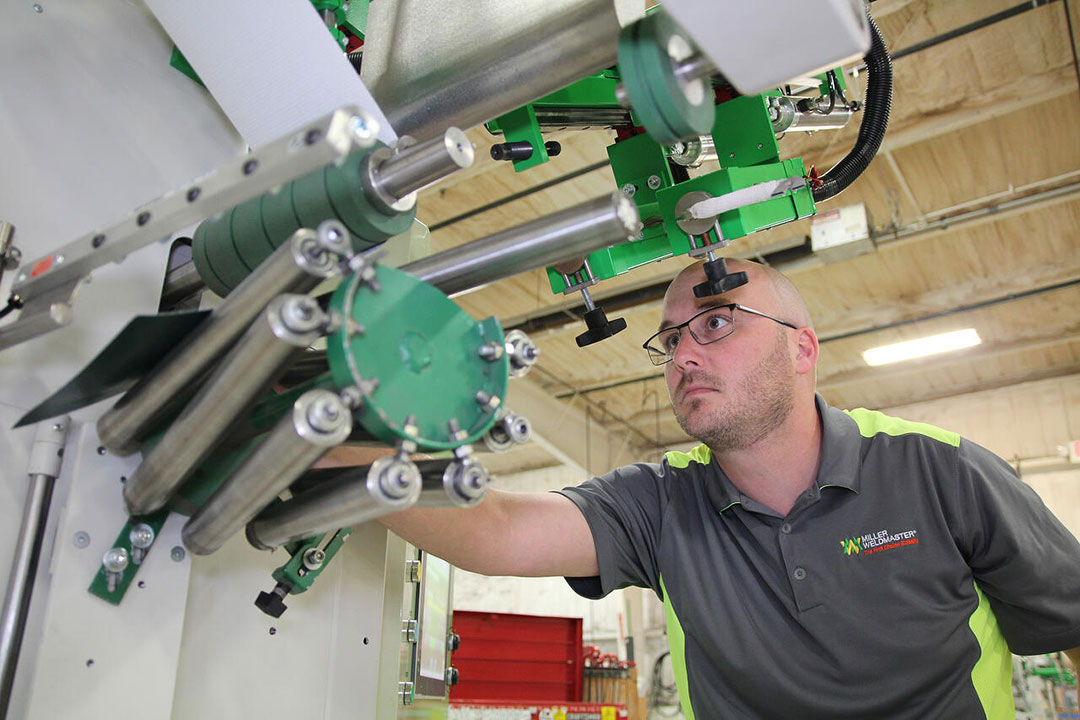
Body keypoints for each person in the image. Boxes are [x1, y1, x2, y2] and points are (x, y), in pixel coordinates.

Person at [380, 258, 1080, 718]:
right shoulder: (657, 505)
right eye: (670, 340)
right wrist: (327, 437)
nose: (683, 355)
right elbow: (493, 530)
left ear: (801, 348)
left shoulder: (939, 470)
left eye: (715, 323)